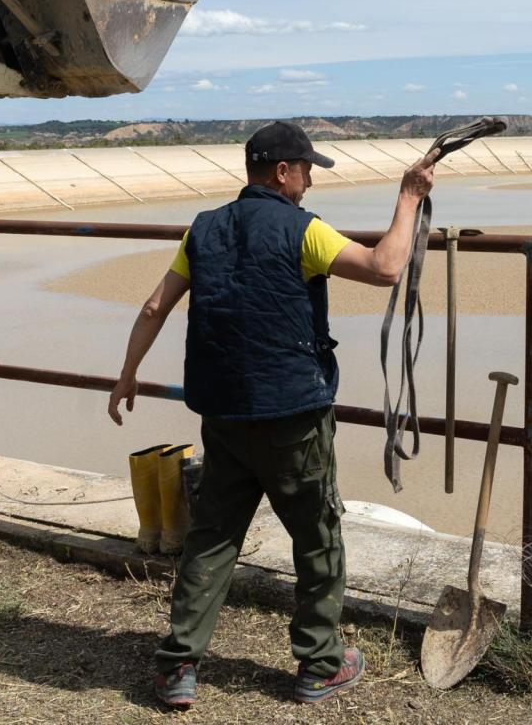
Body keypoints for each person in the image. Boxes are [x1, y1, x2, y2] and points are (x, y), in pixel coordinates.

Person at [108, 120, 435, 709]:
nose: (310, 181)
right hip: (293, 416)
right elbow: (386, 267)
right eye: (307, 170)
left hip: (224, 415)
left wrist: (127, 372)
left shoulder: (203, 230)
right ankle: (319, 665)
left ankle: (179, 664)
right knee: (316, 536)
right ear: (282, 172)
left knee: (211, 537)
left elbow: (157, 303)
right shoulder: (303, 230)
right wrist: (409, 197)